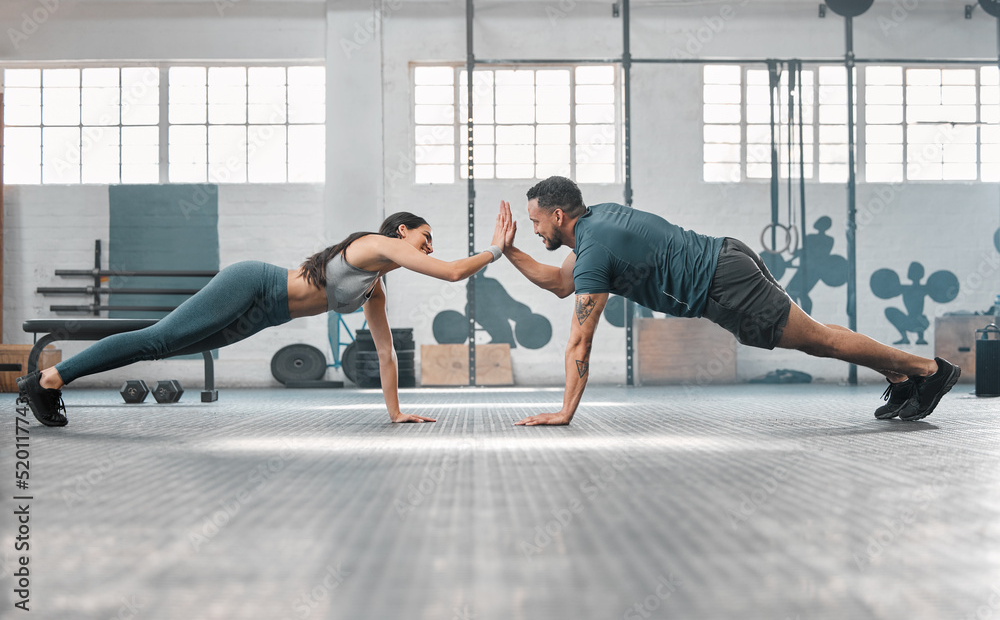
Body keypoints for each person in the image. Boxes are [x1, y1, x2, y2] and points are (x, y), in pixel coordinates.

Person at [499, 176, 961, 426]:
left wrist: (565, 412)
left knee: (819, 341)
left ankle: (928, 372)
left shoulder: (594, 251)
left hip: (723, 283)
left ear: (558, 216)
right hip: (725, 257)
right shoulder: (596, 223)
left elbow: (579, 342)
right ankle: (900, 376)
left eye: (535, 222)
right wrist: (509, 250)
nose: (535, 229)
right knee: (817, 338)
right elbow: (562, 284)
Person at [17, 210, 513, 427]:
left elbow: (384, 353)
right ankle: (48, 380)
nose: (429, 245)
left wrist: (396, 412)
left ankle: (50, 381)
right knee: (157, 339)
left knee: (165, 346)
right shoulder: (375, 244)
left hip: (261, 317)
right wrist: (497, 248)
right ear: (403, 231)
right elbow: (450, 273)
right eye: (425, 236)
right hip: (254, 284)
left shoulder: (374, 287)